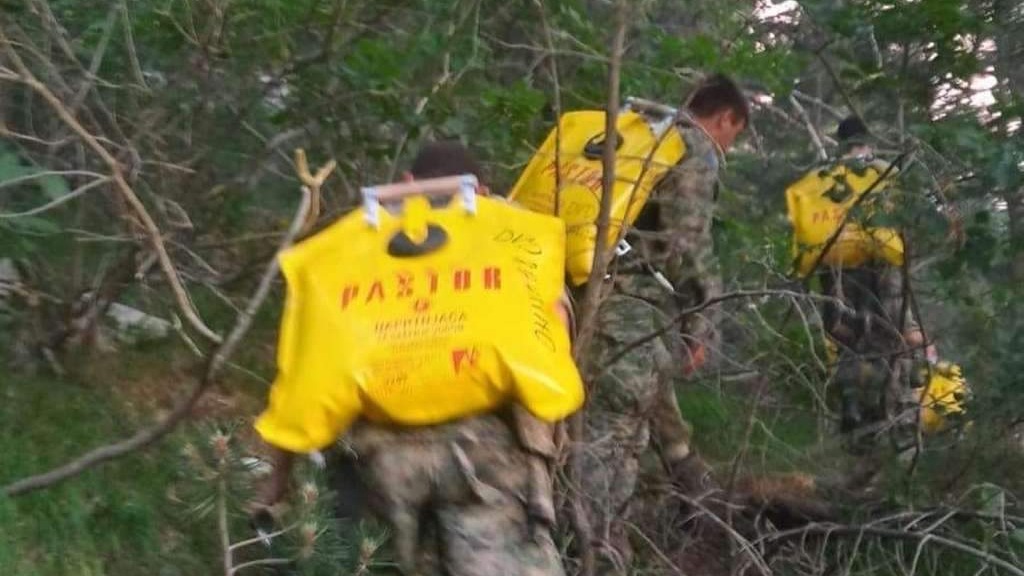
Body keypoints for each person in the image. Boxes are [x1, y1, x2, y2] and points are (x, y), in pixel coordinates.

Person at [252, 141, 574, 576]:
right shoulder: (511, 242)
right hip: (484, 458)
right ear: (479, 192)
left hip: (375, 463)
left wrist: (274, 489)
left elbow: (301, 376)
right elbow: (552, 356)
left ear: (405, 185)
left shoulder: (347, 250)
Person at [577, 73, 749, 571]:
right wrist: (703, 320)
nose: (728, 145)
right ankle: (597, 555)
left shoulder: (635, 137)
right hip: (629, 308)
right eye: (733, 135)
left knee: (621, 415)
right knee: (611, 437)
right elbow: (686, 244)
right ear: (724, 118)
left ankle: (678, 498)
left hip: (574, 293)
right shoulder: (691, 147)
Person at [787, 116, 962, 459]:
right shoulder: (883, 172)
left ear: (840, 142)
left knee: (847, 347)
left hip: (834, 275)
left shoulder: (819, 179)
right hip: (879, 274)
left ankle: (854, 433)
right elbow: (902, 234)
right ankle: (898, 444)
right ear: (868, 142)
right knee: (893, 350)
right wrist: (914, 331)